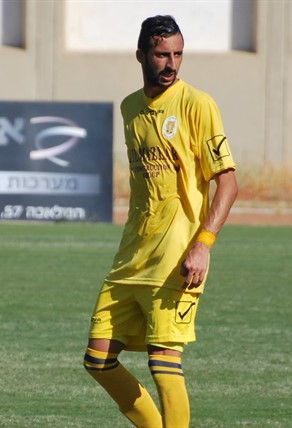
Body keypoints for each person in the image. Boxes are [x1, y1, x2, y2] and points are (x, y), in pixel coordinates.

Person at [83, 15, 238, 428]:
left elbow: (228, 182)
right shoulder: (130, 108)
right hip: (132, 256)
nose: (171, 64)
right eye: (162, 54)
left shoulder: (197, 105)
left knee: (163, 361)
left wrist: (203, 244)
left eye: (178, 54)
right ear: (141, 55)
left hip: (177, 257)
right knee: (98, 359)